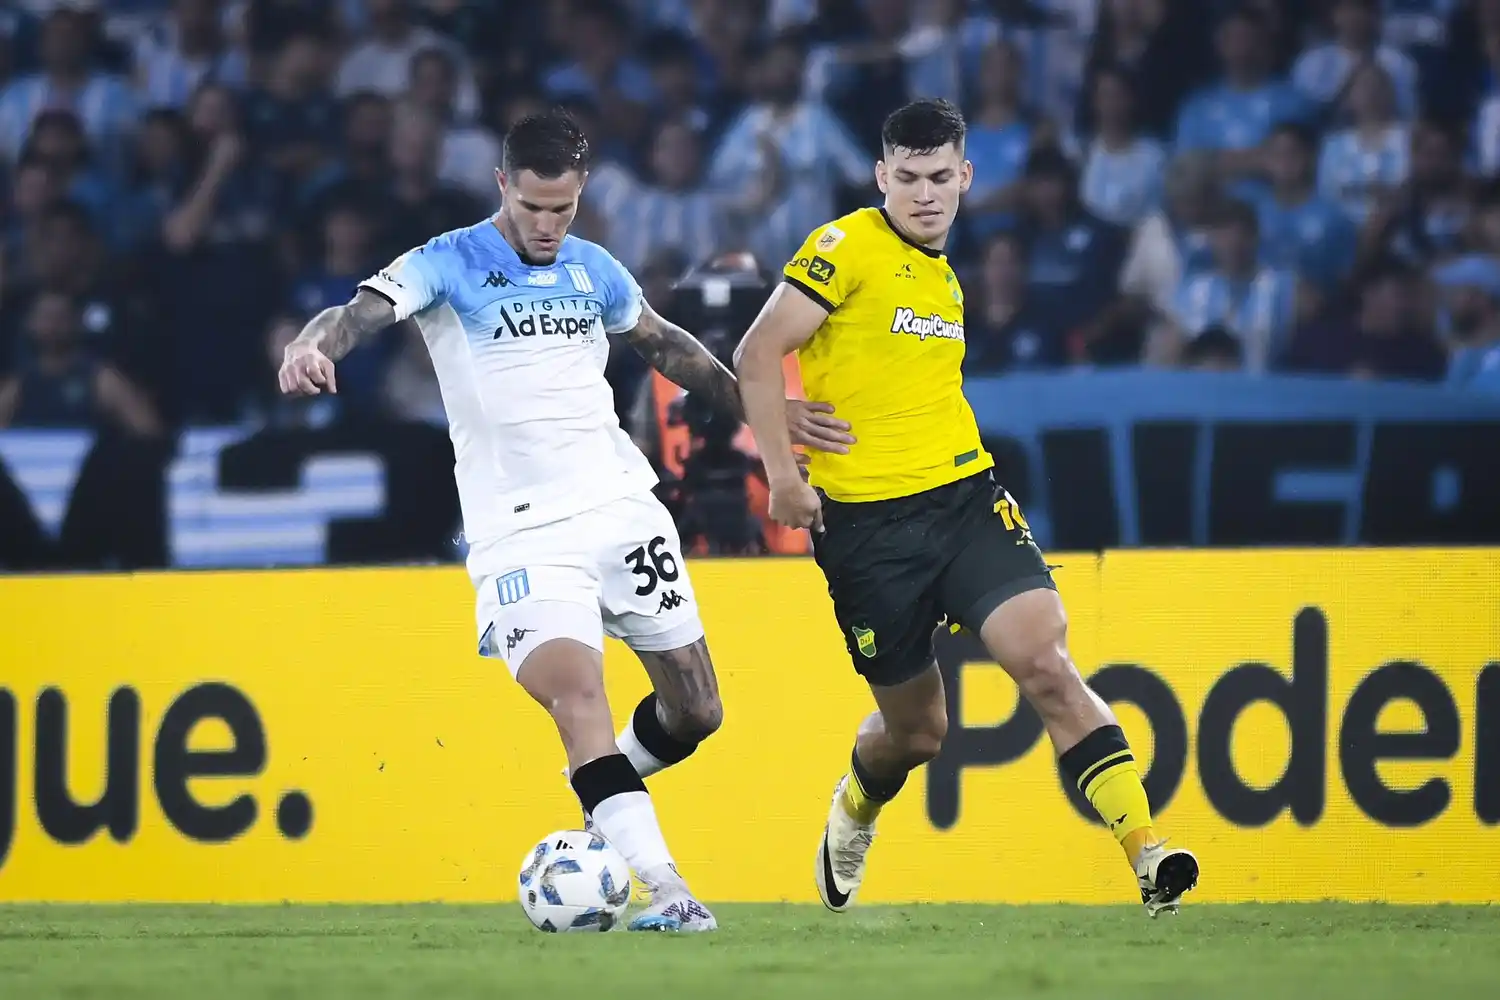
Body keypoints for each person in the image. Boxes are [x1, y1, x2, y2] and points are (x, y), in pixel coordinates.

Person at [276, 110, 853, 932]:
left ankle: (603, 789)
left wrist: (767, 411)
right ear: (503, 185)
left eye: (564, 209)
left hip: (622, 506)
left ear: (580, 195)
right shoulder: (447, 261)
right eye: (534, 207)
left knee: (697, 711)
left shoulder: (594, 268)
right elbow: (354, 314)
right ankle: (670, 891)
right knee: (579, 697)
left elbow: (668, 347)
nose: (548, 226)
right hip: (524, 533)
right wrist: (311, 345)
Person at [734, 98, 1199, 918]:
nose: (923, 194)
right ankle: (856, 805)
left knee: (1047, 664)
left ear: (965, 178)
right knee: (918, 734)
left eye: (940, 177)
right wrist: (783, 474)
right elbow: (756, 351)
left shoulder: (945, 273)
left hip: (964, 500)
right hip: (869, 533)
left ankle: (1149, 856)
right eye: (906, 178)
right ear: (881, 177)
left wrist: (804, 410)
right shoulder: (845, 246)